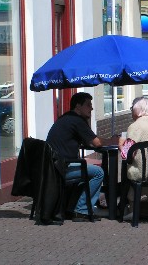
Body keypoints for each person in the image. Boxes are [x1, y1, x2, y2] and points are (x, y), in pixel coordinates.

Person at [46, 92, 119, 222]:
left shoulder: (66, 118)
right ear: (78, 106)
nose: (91, 108)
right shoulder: (77, 120)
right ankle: (81, 210)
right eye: (88, 105)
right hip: (61, 168)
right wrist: (113, 141)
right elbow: (95, 142)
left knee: (85, 171)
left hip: (52, 166)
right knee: (98, 173)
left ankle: (72, 207)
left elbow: (88, 141)